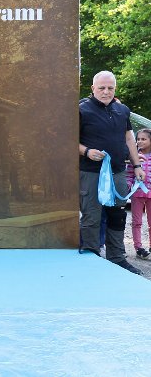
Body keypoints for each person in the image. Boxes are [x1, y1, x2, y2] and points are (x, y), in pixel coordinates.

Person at [79, 71, 146, 275]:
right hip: (90, 173)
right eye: (102, 88)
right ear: (93, 88)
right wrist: (86, 151)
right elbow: (66, 140)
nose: (106, 92)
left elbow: (129, 139)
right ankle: (90, 258)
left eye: (110, 88)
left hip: (118, 172)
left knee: (117, 215)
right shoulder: (81, 110)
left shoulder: (123, 110)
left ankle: (117, 258)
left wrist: (136, 165)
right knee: (92, 216)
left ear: (115, 88)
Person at [126, 128, 151, 259]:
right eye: (138, 139)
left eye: (143, 139)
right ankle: (139, 248)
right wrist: (127, 187)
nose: (140, 141)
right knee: (136, 222)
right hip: (137, 195)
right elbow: (129, 175)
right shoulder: (134, 157)